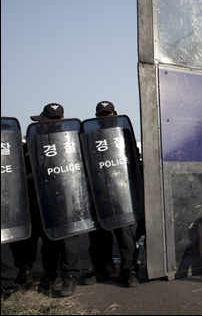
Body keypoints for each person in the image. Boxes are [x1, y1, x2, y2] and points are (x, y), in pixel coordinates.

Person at [11, 103, 81, 297]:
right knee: (43, 240)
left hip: (62, 199)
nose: (39, 126)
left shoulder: (69, 142)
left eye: (42, 122)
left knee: (67, 239)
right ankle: (50, 275)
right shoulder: (32, 143)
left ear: (55, 122)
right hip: (35, 199)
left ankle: (70, 277)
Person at [83, 101, 140, 288]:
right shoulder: (91, 137)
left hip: (121, 193)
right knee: (99, 236)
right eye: (102, 115)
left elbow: (133, 164)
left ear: (115, 115)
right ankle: (103, 269)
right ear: (97, 119)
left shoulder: (123, 136)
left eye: (109, 114)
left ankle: (129, 270)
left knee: (124, 233)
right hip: (100, 194)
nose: (106, 118)